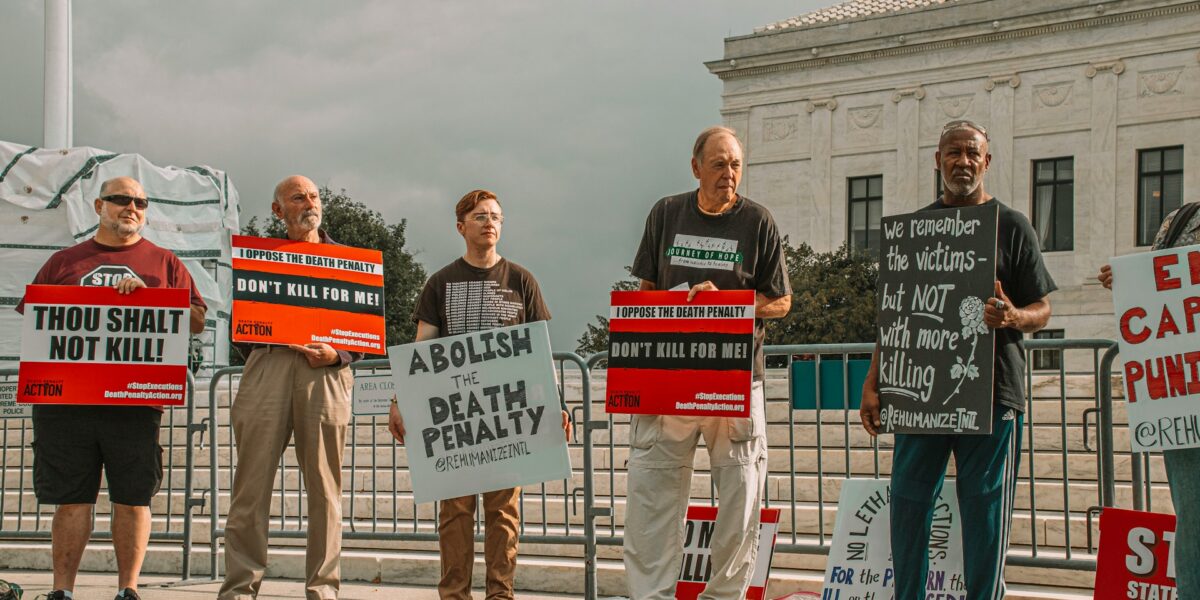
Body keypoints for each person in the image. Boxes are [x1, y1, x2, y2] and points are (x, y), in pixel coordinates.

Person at [859, 120, 1056, 599]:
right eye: (953, 153)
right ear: (937, 160)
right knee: (906, 504)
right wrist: (874, 379)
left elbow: (1043, 309)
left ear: (987, 162)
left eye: (972, 154)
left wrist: (1012, 316)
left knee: (984, 513)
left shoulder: (1012, 225)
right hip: (921, 392)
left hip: (991, 395)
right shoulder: (916, 230)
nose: (962, 162)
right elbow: (897, 314)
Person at [16, 176, 207, 600]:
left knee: (134, 497)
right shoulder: (64, 261)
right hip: (68, 402)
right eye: (121, 199)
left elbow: (196, 320)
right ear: (100, 205)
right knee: (72, 500)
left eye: (140, 201)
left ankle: (129, 589)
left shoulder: (165, 263)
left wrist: (150, 298)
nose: (132, 207)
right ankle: (62, 590)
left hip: (135, 400)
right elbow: (37, 317)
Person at [622, 126, 792, 599]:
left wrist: (731, 304)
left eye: (736, 164)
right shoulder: (666, 213)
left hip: (734, 382)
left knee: (740, 507)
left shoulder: (758, 221)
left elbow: (781, 302)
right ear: (695, 167)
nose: (728, 174)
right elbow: (647, 292)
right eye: (718, 164)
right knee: (651, 501)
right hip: (669, 379)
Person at [387, 189, 571, 600]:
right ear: (461, 227)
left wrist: (556, 404)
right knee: (454, 513)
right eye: (480, 216)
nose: (489, 222)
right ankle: (454, 595)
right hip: (456, 418)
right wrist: (400, 399)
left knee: (504, 513)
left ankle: (500, 594)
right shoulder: (440, 282)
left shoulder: (522, 280)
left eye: (496, 216)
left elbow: (539, 349)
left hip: (508, 418)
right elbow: (422, 349)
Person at [219, 176, 361, 600]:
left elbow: (365, 332)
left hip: (328, 371)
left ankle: (323, 588)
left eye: (314, 196)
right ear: (278, 211)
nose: (309, 203)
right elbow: (239, 322)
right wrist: (272, 347)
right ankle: (240, 588)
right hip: (269, 363)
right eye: (298, 197)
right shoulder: (257, 258)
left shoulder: (349, 261)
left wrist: (337, 355)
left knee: (325, 488)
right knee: (251, 486)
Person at [1097, 207, 1198, 598]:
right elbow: (1154, 290)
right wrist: (1125, 282)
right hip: (1186, 407)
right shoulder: (1181, 220)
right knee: (1194, 521)